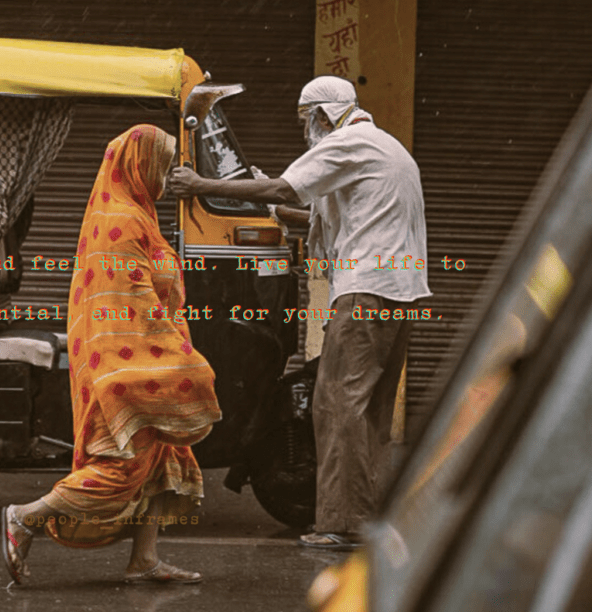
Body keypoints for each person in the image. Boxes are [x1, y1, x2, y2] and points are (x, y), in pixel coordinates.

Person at [167, 76, 431, 551]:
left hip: (365, 293)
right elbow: (333, 215)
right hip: (397, 294)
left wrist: (199, 183)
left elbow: (286, 189)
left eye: (304, 120)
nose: (304, 130)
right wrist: (283, 215)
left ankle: (338, 525)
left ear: (324, 115)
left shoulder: (347, 142)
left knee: (335, 405)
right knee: (368, 410)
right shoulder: (382, 146)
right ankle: (366, 517)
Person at [2, 124, 222, 584]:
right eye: (162, 163)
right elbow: (128, 301)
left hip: (143, 362)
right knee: (118, 471)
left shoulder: (137, 213)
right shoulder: (120, 220)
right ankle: (25, 516)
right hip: (125, 366)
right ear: (139, 164)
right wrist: (177, 354)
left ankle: (144, 560)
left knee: (166, 460)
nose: (169, 173)